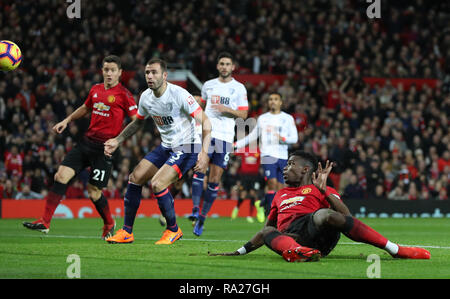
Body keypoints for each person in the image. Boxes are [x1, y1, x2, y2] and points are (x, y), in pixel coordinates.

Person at [209, 151, 430, 262]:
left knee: (325, 213)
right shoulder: (279, 194)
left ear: (306, 169)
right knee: (268, 230)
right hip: (292, 238)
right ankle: (300, 252)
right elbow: (267, 231)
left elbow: (346, 216)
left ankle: (395, 249)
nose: (285, 169)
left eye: (290, 164)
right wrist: (238, 252)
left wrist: (324, 192)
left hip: (318, 232)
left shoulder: (321, 188)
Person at [23, 55, 138, 239]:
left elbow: (136, 121)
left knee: (93, 192)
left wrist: (118, 140)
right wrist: (67, 120)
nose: (109, 73)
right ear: (102, 70)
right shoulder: (95, 89)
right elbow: (85, 108)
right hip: (86, 143)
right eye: (106, 69)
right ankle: (45, 222)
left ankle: (109, 222)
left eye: (112, 70)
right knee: (60, 175)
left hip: (104, 150)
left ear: (120, 73)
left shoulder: (124, 95)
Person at [104, 58, 211, 245]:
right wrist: (118, 140)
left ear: (164, 75)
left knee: (158, 184)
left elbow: (207, 122)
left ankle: (173, 229)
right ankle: (127, 232)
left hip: (188, 146)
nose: (150, 76)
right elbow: (138, 121)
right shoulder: (146, 97)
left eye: (154, 72)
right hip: (166, 146)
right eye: (147, 73)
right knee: (135, 178)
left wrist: (204, 153)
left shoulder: (179, 94)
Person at [190, 52, 249, 236]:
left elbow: (244, 115)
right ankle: (194, 210)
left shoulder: (239, 88)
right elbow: (203, 106)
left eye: (227, 64)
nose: (224, 67)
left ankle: (202, 218)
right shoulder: (208, 85)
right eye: (221, 63)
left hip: (225, 137)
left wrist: (227, 110)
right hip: (207, 133)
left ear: (233, 67)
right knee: (200, 169)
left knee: (215, 179)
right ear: (217, 66)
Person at [235, 92, 298, 221]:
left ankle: (263, 203)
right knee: (272, 184)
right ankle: (271, 216)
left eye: (275, 99)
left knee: (281, 189)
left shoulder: (288, 118)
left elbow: (294, 138)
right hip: (267, 155)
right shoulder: (263, 118)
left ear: (281, 102)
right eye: (270, 99)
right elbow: (252, 136)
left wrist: (283, 138)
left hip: (282, 156)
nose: (273, 101)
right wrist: (236, 144)